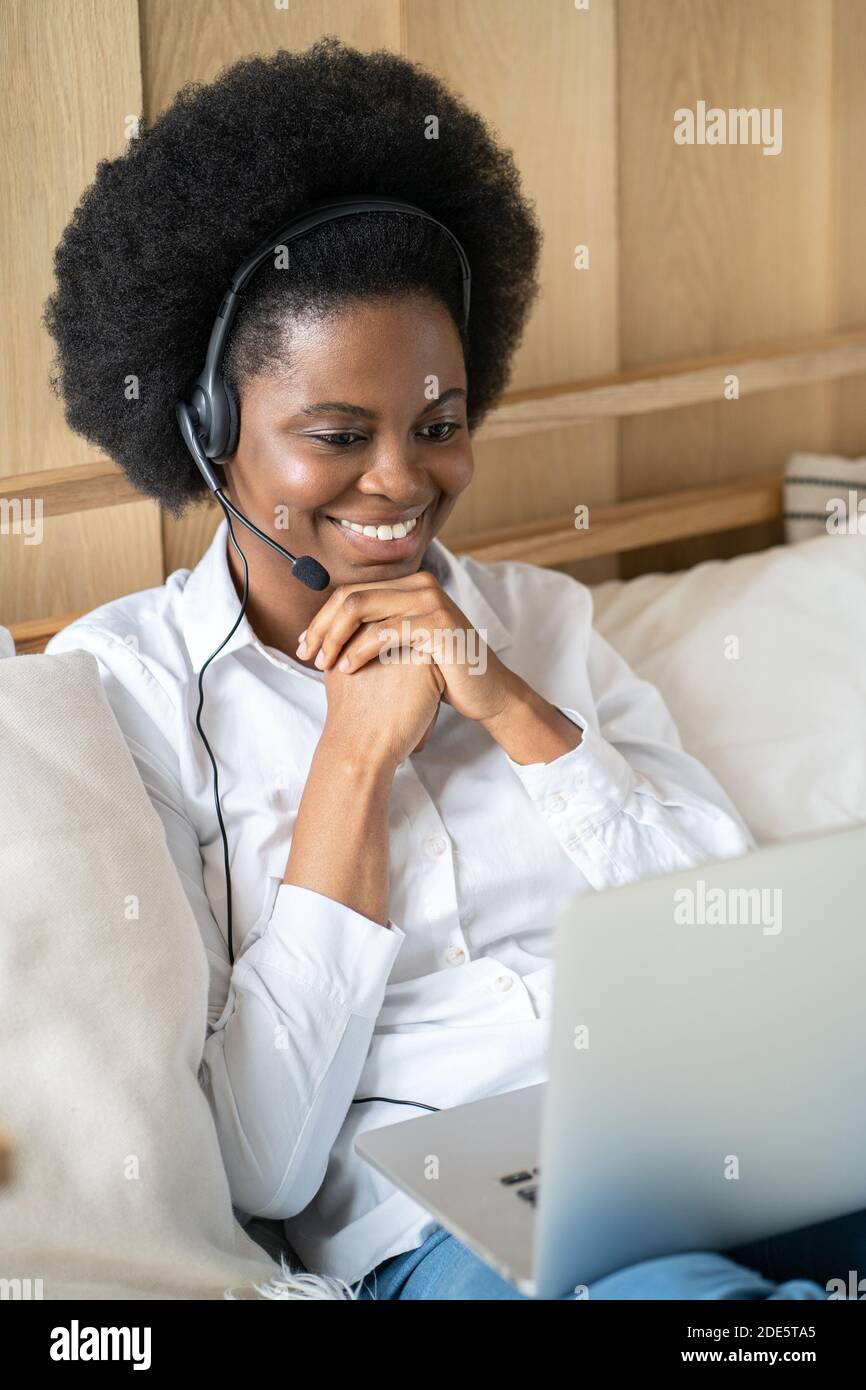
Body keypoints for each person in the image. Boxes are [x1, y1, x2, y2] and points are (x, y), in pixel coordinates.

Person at [43, 38, 857, 1300]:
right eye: (336, 435)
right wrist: (354, 756)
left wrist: (514, 707)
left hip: (701, 1138)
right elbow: (262, 1159)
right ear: (208, 433)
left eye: (437, 427)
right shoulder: (128, 693)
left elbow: (740, 958)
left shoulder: (540, 619)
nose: (402, 482)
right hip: (440, 1232)